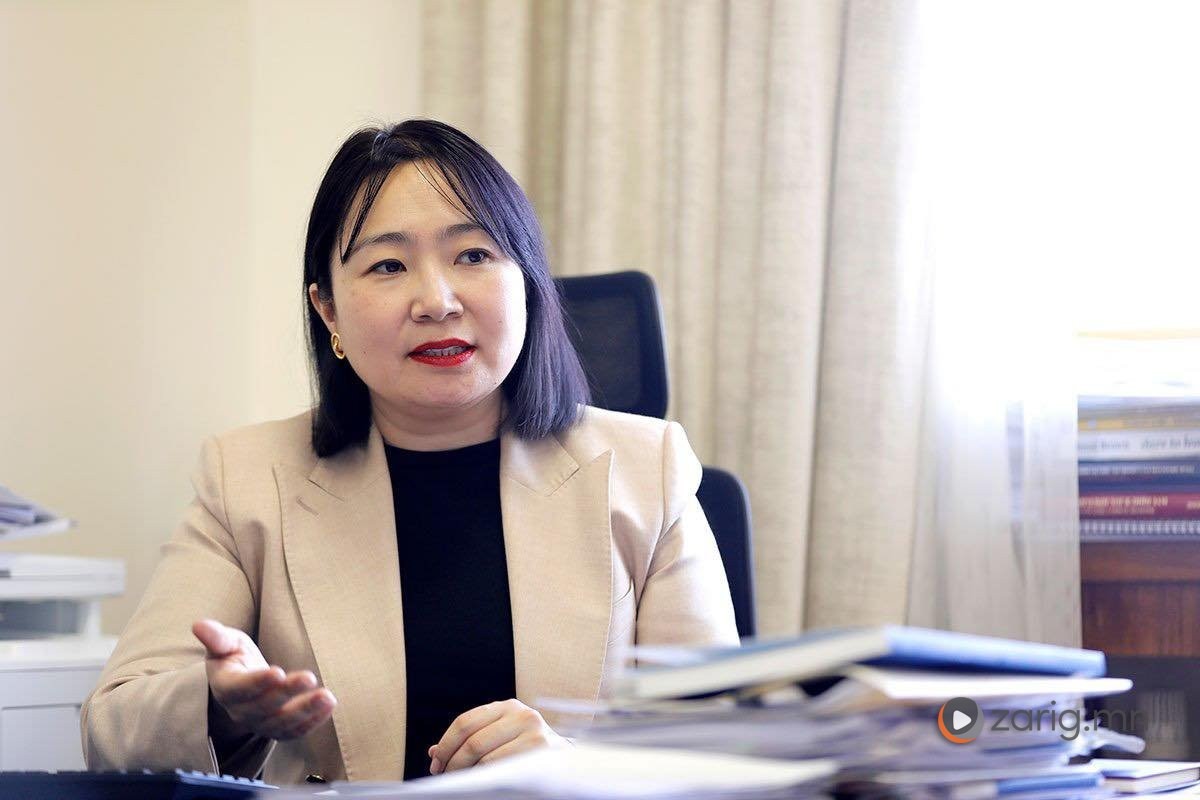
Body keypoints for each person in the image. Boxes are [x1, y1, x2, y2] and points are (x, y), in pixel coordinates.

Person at [80, 119, 738, 785]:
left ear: (527, 283)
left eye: (473, 255)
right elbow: (111, 732)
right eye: (388, 265)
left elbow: (725, 756)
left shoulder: (646, 469)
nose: (437, 301)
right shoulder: (247, 478)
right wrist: (220, 706)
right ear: (328, 311)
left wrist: (575, 776)